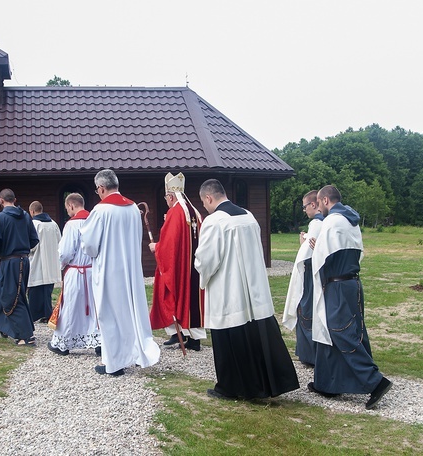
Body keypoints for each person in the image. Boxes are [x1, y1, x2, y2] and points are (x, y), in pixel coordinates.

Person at [194, 179, 299, 400]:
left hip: (228, 289)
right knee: (256, 335)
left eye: (204, 202)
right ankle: (266, 385)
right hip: (254, 287)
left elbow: (206, 259)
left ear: (209, 198)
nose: (204, 206)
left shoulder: (215, 222)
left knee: (229, 337)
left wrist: (201, 272)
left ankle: (231, 387)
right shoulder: (248, 216)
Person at [309, 185, 392, 409]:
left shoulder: (332, 222)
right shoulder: (350, 220)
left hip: (337, 285)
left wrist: (315, 249)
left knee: (339, 331)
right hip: (351, 282)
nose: (318, 208)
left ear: (325, 201)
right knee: (341, 329)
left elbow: (322, 260)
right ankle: (326, 383)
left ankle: (375, 382)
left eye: (318, 203)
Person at [80, 169, 160, 376]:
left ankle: (114, 363)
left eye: (97, 189)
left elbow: (89, 245)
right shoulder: (133, 207)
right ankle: (129, 354)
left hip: (109, 270)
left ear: (101, 188)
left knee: (110, 315)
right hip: (130, 269)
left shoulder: (101, 210)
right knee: (127, 312)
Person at [148, 172, 206, 351]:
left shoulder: (175, 212)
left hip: (178, 267)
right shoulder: (194, 212)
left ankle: (178, 333)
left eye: (167, 197)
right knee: (192, 299)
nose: (166, 200)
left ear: (171, 196)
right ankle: (191, 338)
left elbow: (169, 245)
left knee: (170, 295)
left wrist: (156, 247)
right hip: (192, 267)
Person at [47, 193, 102, 356]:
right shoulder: (95, 220)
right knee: (95, 308)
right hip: (93, 271)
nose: (68, 212)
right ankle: (99, 342)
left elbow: (65, 252)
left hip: (76, 272)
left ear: (71, 205)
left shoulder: (72, 225)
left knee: (70, 307)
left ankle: (63, 344)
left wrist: (62, 265)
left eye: (67, 208)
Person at [0, 189, 39, 346]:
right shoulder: (26, 217)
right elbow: (34, 240)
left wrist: (4, 250)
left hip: (10, 261)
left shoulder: (0, 218)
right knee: (12, 294)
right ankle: (2, 325)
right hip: (24, 260)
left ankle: (26, 336)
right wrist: (22, 247)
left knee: (11, 298)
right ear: (14, 199)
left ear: (1, 201)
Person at [282, 190, 324, 367]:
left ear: (313, 205)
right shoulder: (328, 221)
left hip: (310, 274)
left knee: (305, 311)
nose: (304, 210)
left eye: (305, 206)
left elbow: (307, 253)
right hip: (321, 275)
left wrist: (303, 244)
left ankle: (309, 355)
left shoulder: (316, 223)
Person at [27, 201, 62, 323]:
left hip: (37, 262)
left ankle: (34, 315)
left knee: (34, 292)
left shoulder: (33, 224)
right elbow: (59, 242)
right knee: (47, 292)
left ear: (32, 212)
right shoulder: (54, 224)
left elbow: (31, 246)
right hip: (51, 264)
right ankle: (47, 313)